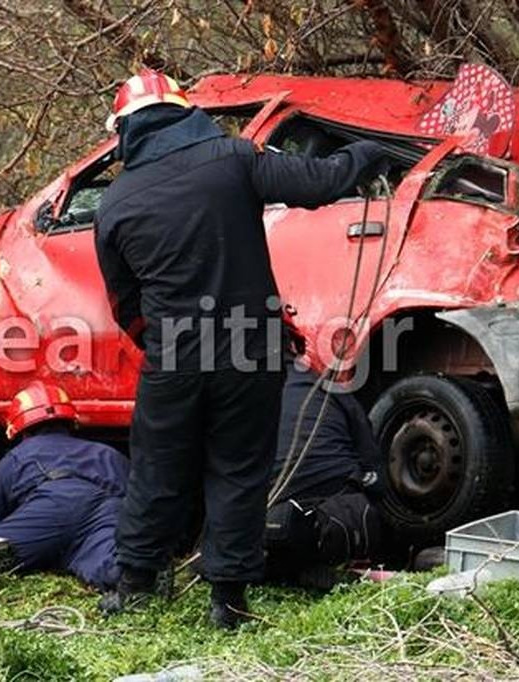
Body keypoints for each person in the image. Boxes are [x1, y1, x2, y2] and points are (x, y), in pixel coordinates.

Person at [94, 68, 389, 628]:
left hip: (174, 358)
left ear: (127, 131)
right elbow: (319, 182)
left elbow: (124, 302)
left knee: (158, 467)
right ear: (184, 114)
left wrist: (160, 345)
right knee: (239, 470)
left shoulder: (115, 201)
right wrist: (373, 152)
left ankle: (133, 586)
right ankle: (226, 603)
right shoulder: (235, 159)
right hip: (250, 353)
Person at [0, 382, 129, 589]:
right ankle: (124, 574)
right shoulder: (109, 453)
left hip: (52, 509)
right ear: (70, 422)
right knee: (103, 557)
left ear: (20, 430)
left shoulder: (15, 458)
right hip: (107, 510)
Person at [265, 365, 384, 588]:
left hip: (273, 532)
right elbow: (375, 473)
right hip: (343, 528)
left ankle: (292, 574)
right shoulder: (332, 389)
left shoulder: (242, 392)